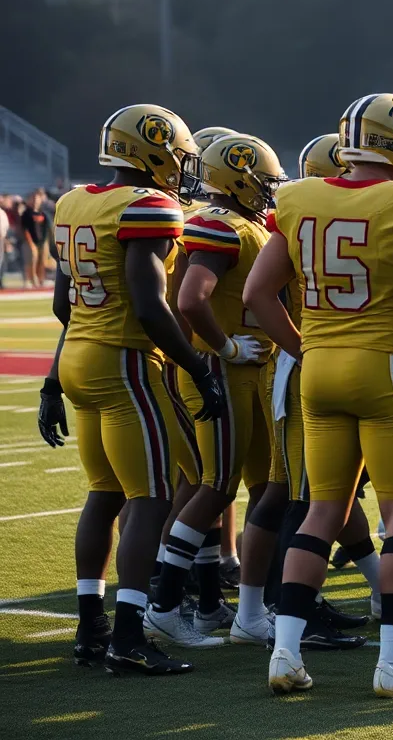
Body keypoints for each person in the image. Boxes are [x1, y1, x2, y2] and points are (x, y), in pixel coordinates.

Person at [244, 93, 393, 697]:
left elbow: (258, 296)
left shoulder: (298, 196)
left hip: (319, 370)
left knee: (320, 511)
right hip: (384, 368)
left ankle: (285, 653)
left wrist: (305, 349)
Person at [38, 103, 227, 674]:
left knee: (104, 492)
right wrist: (196, 366)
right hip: (122, 364)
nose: (181, 165)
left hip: (77, 359)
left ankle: (90, 622)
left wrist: (51, 381)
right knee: (150, 498)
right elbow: (149, 306)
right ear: (151, 150)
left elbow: (61, 303)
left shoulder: (74, 201)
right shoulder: (147, 207)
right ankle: (127, 634)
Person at [143, 134, 285, 648]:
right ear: (239, 176)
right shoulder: (219, 224)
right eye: (263, 181)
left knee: (269, 483)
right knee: (216, 486)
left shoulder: (243, 224)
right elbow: (191, 298)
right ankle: (163, 606)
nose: (268, 190)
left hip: (246, 371)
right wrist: (223, 348)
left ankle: (225, 610)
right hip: (220, 369)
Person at [21, 188, 50, 288]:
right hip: (30, 241)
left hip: (41, 241)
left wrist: (45, 241)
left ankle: (41, 279)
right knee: (31, 260)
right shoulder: (26, 213)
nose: (35, 201)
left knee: (42, 260)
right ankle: (30, 279)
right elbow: (24, 228)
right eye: (33, 199)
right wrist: (29, 241)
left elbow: (46, 228)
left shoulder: (43, 214)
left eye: (37, 199)